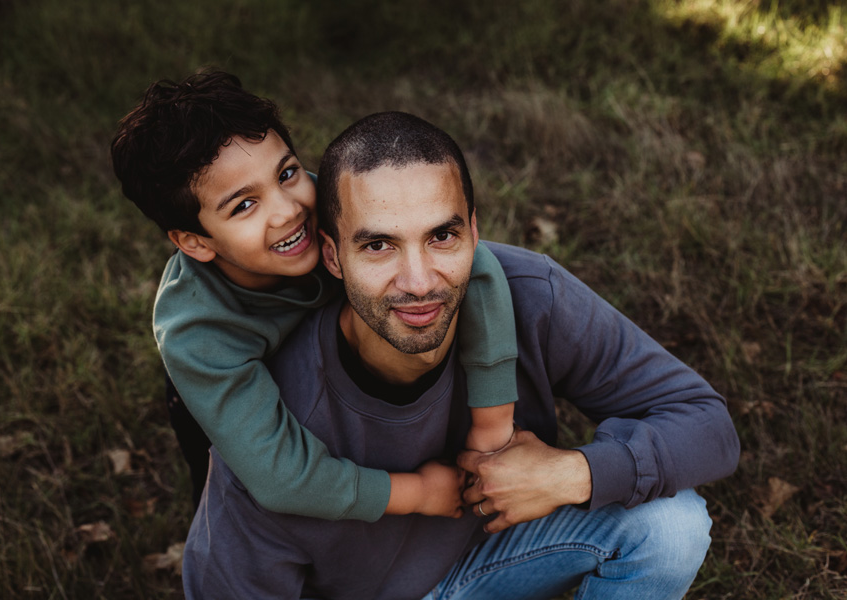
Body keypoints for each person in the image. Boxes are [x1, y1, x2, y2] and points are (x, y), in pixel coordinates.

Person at [182, 111, 741, 599]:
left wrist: (571, 474)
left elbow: (710, 428)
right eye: (378, 245)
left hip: (495, 562)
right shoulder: (266, 424)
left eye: (442, 237)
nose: (419, 281)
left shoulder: (530, 295)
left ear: (475, 234)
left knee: (672, 527)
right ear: (331, 255)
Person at [110, 70, 518, 521]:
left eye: (286, 173)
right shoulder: (199, 334)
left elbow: (475, 266)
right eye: (244, 205)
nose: (288, 211)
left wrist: (491, 423)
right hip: (222, 382)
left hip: (330, 362)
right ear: (195, 242)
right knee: (222, 485)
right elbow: (282, 478)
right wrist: (416, 492)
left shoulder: (335, 207)